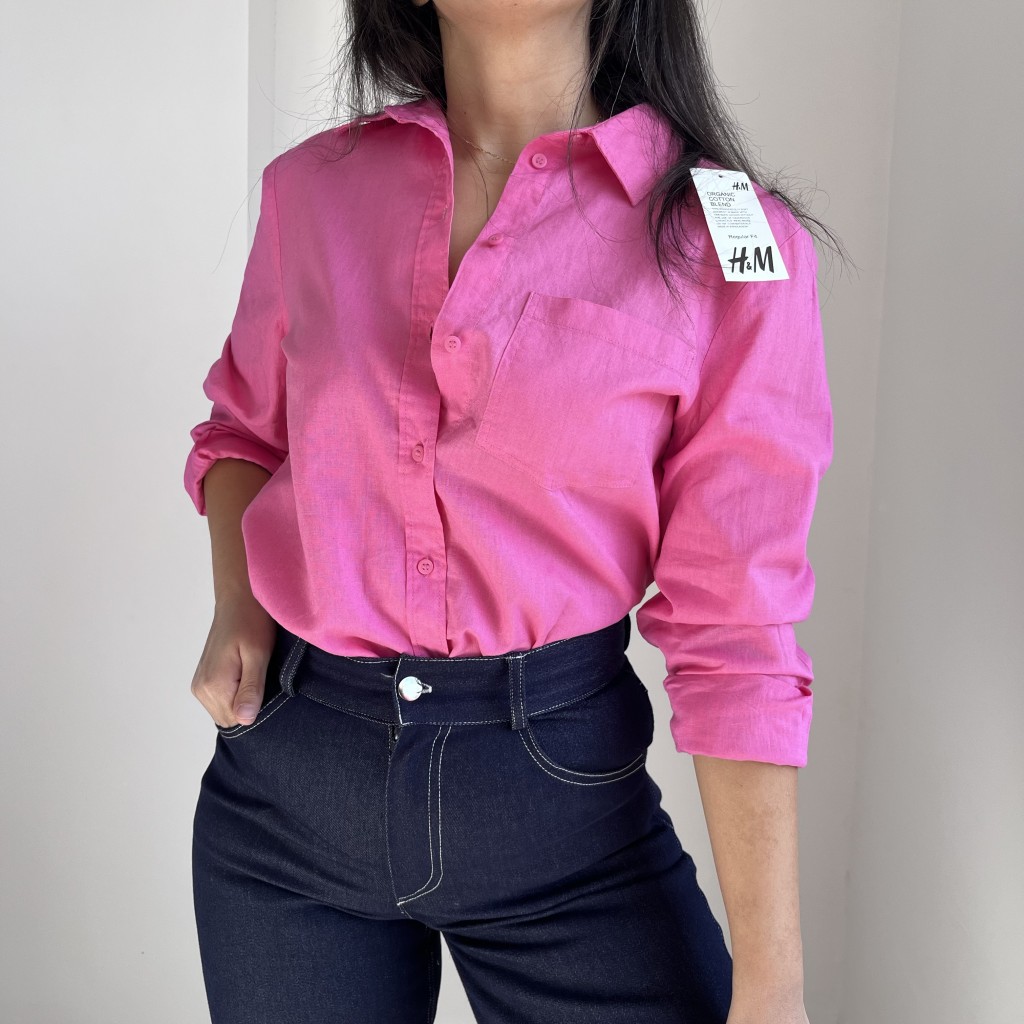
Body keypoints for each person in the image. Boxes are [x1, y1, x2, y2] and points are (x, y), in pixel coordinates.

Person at [184, 1, 839, 1021]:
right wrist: (238, 605)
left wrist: (773, 986)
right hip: (289, 796)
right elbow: (244, 434)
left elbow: (737, 629)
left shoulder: (725, 242)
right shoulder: (312, 190)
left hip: (565, 813)